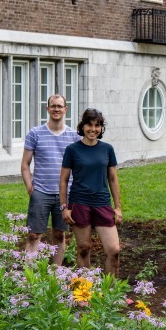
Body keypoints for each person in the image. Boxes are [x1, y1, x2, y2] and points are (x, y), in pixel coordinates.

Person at [59, 109, 122, 276]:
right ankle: (84, 294)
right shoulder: (72, 150)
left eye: (97, 125)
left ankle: (111, 294)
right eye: (89, 125)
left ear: (101, 128)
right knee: (84, 248)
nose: (93, 129)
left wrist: (118, 207)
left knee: (114, 250)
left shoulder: (107, 149)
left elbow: (113, 179)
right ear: (83, 126)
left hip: (102, 202)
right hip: (79, 202)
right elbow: (63, 180)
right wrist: (64, 207)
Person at [21, 94, 79, 265]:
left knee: (60, 234)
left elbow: (77, 166)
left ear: (65, 109)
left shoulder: (73, 136)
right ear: (47, 109)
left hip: (64, 195)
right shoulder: (35, 133)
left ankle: (56, 274)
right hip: (41, 192)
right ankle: (28, 276)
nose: (56, 109)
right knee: (34, 235)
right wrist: (30, 189)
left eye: (59, 106)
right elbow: (25, 164)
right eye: (53, 106)